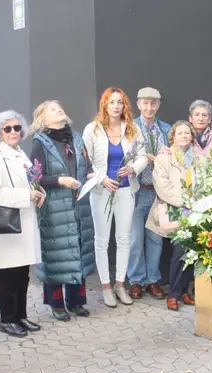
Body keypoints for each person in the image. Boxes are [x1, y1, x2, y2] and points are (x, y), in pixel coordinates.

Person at [30, 100, 96, 321]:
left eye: (59, 107)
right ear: (43, 118)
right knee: (55, 255)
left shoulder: (76, 138)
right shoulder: (41, 142)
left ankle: (76, 302)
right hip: (54, 208)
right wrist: (60, 180)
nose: (59, 109)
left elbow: (86, 166)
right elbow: (35, 177)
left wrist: (91, 175)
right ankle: (57, 304)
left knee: (78, 250)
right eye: (52, 108)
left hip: (78, 205)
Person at [83, 87, 148, 308]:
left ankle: (120, 284)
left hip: (125, 191)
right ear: (105, 105)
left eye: (119, 102)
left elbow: (142, 157)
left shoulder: (132, 129)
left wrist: (132, 169)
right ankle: (106, 287)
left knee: (124, 239)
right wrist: (101, 179)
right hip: (101, 192)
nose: (116, 106)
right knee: (101, 241)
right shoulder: (92, 130)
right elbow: (86, 164)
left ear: (124, 106)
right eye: (111, 102)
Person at [0, 110, 45, 338]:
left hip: (25, 223)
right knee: (9, 274)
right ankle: (7, 319)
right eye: (7, 128)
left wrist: (40, 193)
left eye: (17, 128)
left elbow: (33, 183)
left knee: (22, 273)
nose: (13, 132)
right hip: (9, 225)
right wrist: (25, 196)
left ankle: (20, 315)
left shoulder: (20, 154)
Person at [146, 121, 203, 311]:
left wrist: (196, 201)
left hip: (193, 212)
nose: (184, 136)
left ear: (192, 136)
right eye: (180, 133)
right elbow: (162, 187)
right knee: (179, 252)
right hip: (171, 210)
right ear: (173, 136)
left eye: (188, 133)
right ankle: (174, 294)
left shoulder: (199, 159)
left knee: (189, 251)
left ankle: (184, 292)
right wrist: (185, 200)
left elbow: (205, 182)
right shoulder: (163, 159)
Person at [128, 87, 170, 300]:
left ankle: (153, 280)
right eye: (145, 103)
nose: (149, 107)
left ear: (158, 105)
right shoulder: (130, 128)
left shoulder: (166, 129)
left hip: (159, 194)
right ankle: (136, 280)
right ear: (138, 104)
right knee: (134, 239)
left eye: (153, 103)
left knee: (155, 239)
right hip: (136, 192)